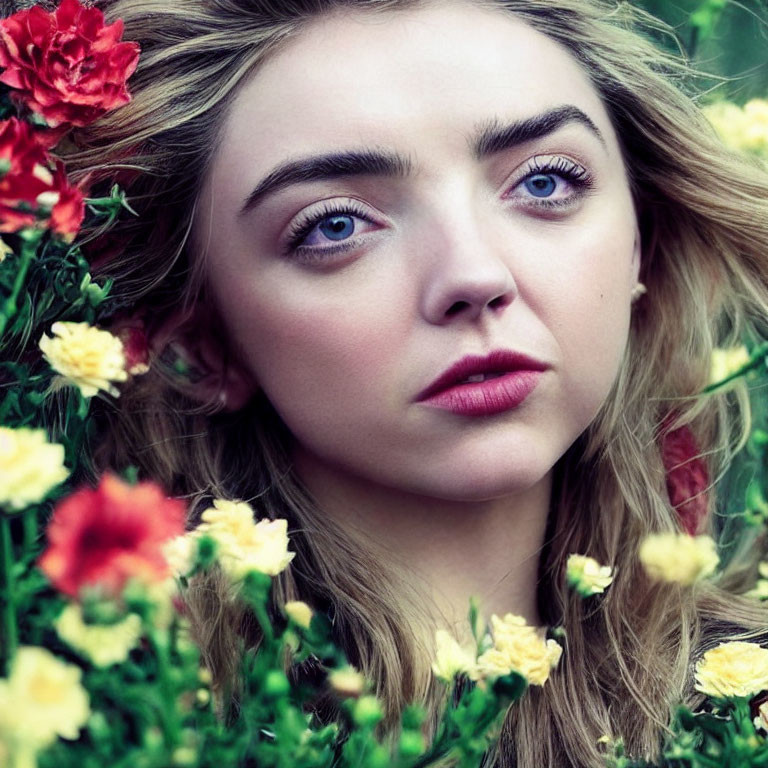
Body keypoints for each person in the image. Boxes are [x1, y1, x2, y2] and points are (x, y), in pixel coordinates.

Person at [64, 0, 768, 765]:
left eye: (543, 182)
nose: (475, 275)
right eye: (335, 225)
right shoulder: (121, 730)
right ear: (198, 344)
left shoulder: (744, 712)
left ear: (642, 241)